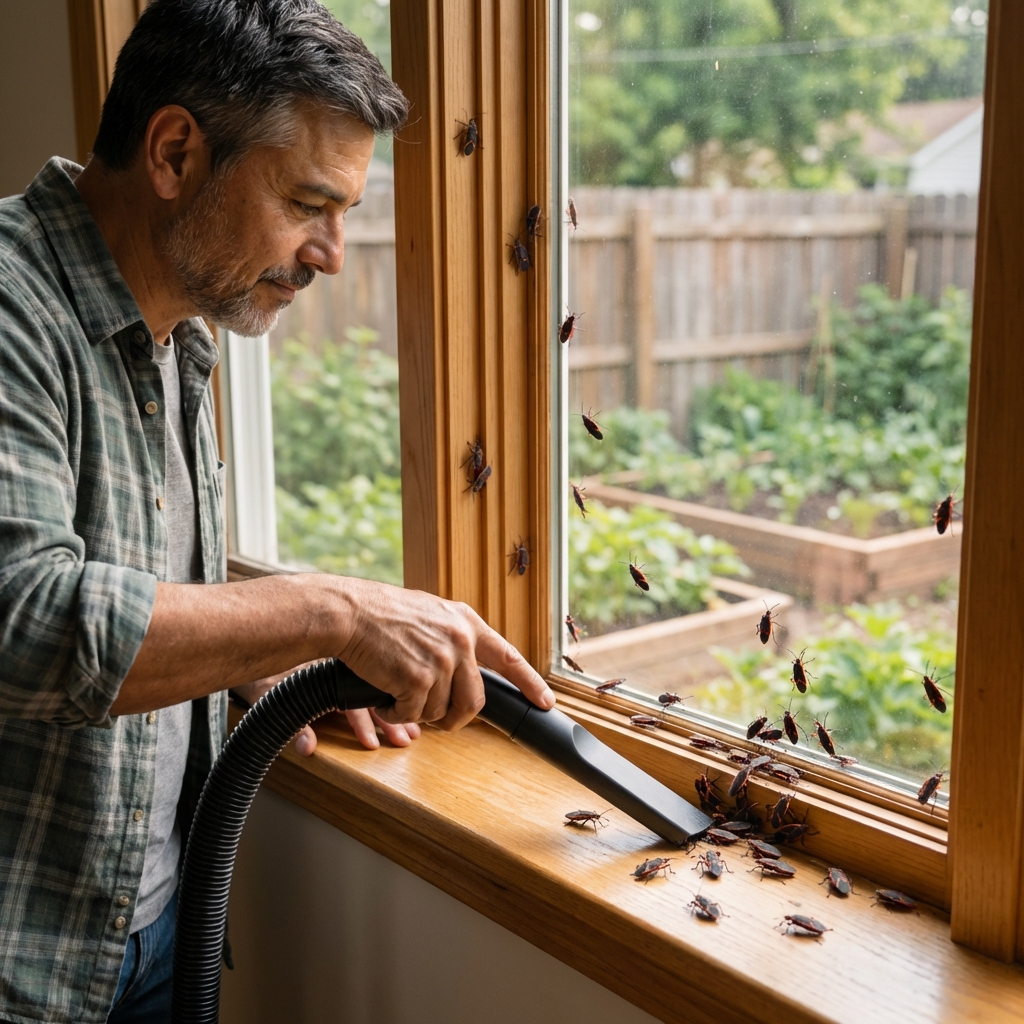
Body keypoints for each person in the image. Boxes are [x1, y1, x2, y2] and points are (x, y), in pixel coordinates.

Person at [0, 2, 554, 1022]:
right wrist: (327, 613)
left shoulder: (177, 334)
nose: (332, 252)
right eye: (309, 203)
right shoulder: (10, 307)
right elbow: (23, 623)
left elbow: (126, 580)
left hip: (149, 931)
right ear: (174, 151)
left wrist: (248, 654)